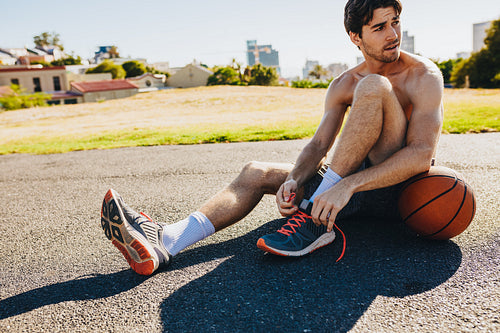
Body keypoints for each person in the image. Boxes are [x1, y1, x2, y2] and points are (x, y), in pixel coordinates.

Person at [100, 0, 444, 275]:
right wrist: (295, 178)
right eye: (379, 27)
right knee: (256, 171)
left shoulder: (422, 76)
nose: (393, 34)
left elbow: (420, 154)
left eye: (395, 22)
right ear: (356, 37)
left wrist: (346, 186)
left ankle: (314, 222)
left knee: (375, 87)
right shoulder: (342, 84)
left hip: (392, 189)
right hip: (340, 188)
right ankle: (167, 241)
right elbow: (319, 145)